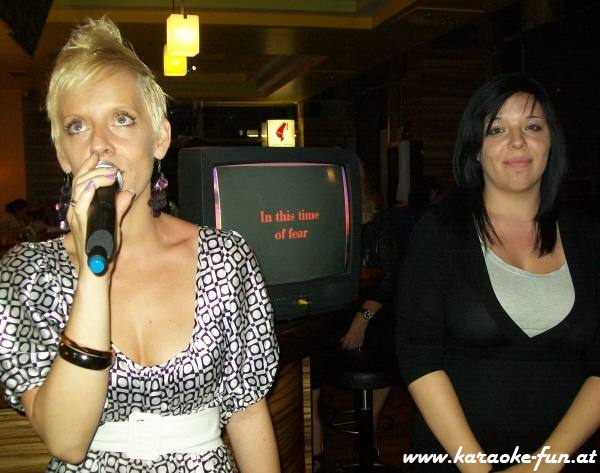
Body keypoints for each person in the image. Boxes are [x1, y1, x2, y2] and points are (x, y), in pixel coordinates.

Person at [0, 17, 280, 473]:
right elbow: (67, 442)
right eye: (77, 126)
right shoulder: (29, 273)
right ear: (62, 153)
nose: (100, 145)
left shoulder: (225, 258)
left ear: (160, 138)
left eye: (122, 119)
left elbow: (247, 415)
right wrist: (94, 275)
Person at [395, 73, 600, 472]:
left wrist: (545, 464)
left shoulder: (589, 238)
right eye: (497, 129)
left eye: (532, 127)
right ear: (475, 148)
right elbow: (418, 353)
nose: (518, 141)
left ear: (551, 141)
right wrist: (478, 468)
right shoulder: (439, 232)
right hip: (455, 462)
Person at [311, 162, 400, 471]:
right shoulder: (315, 220)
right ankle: (315, 436)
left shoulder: (377, 222)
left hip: (373, 307)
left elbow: (390, 279)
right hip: (331, 311)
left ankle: (368, 428)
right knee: (309, 351)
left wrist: (363, 318)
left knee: (390, 341)